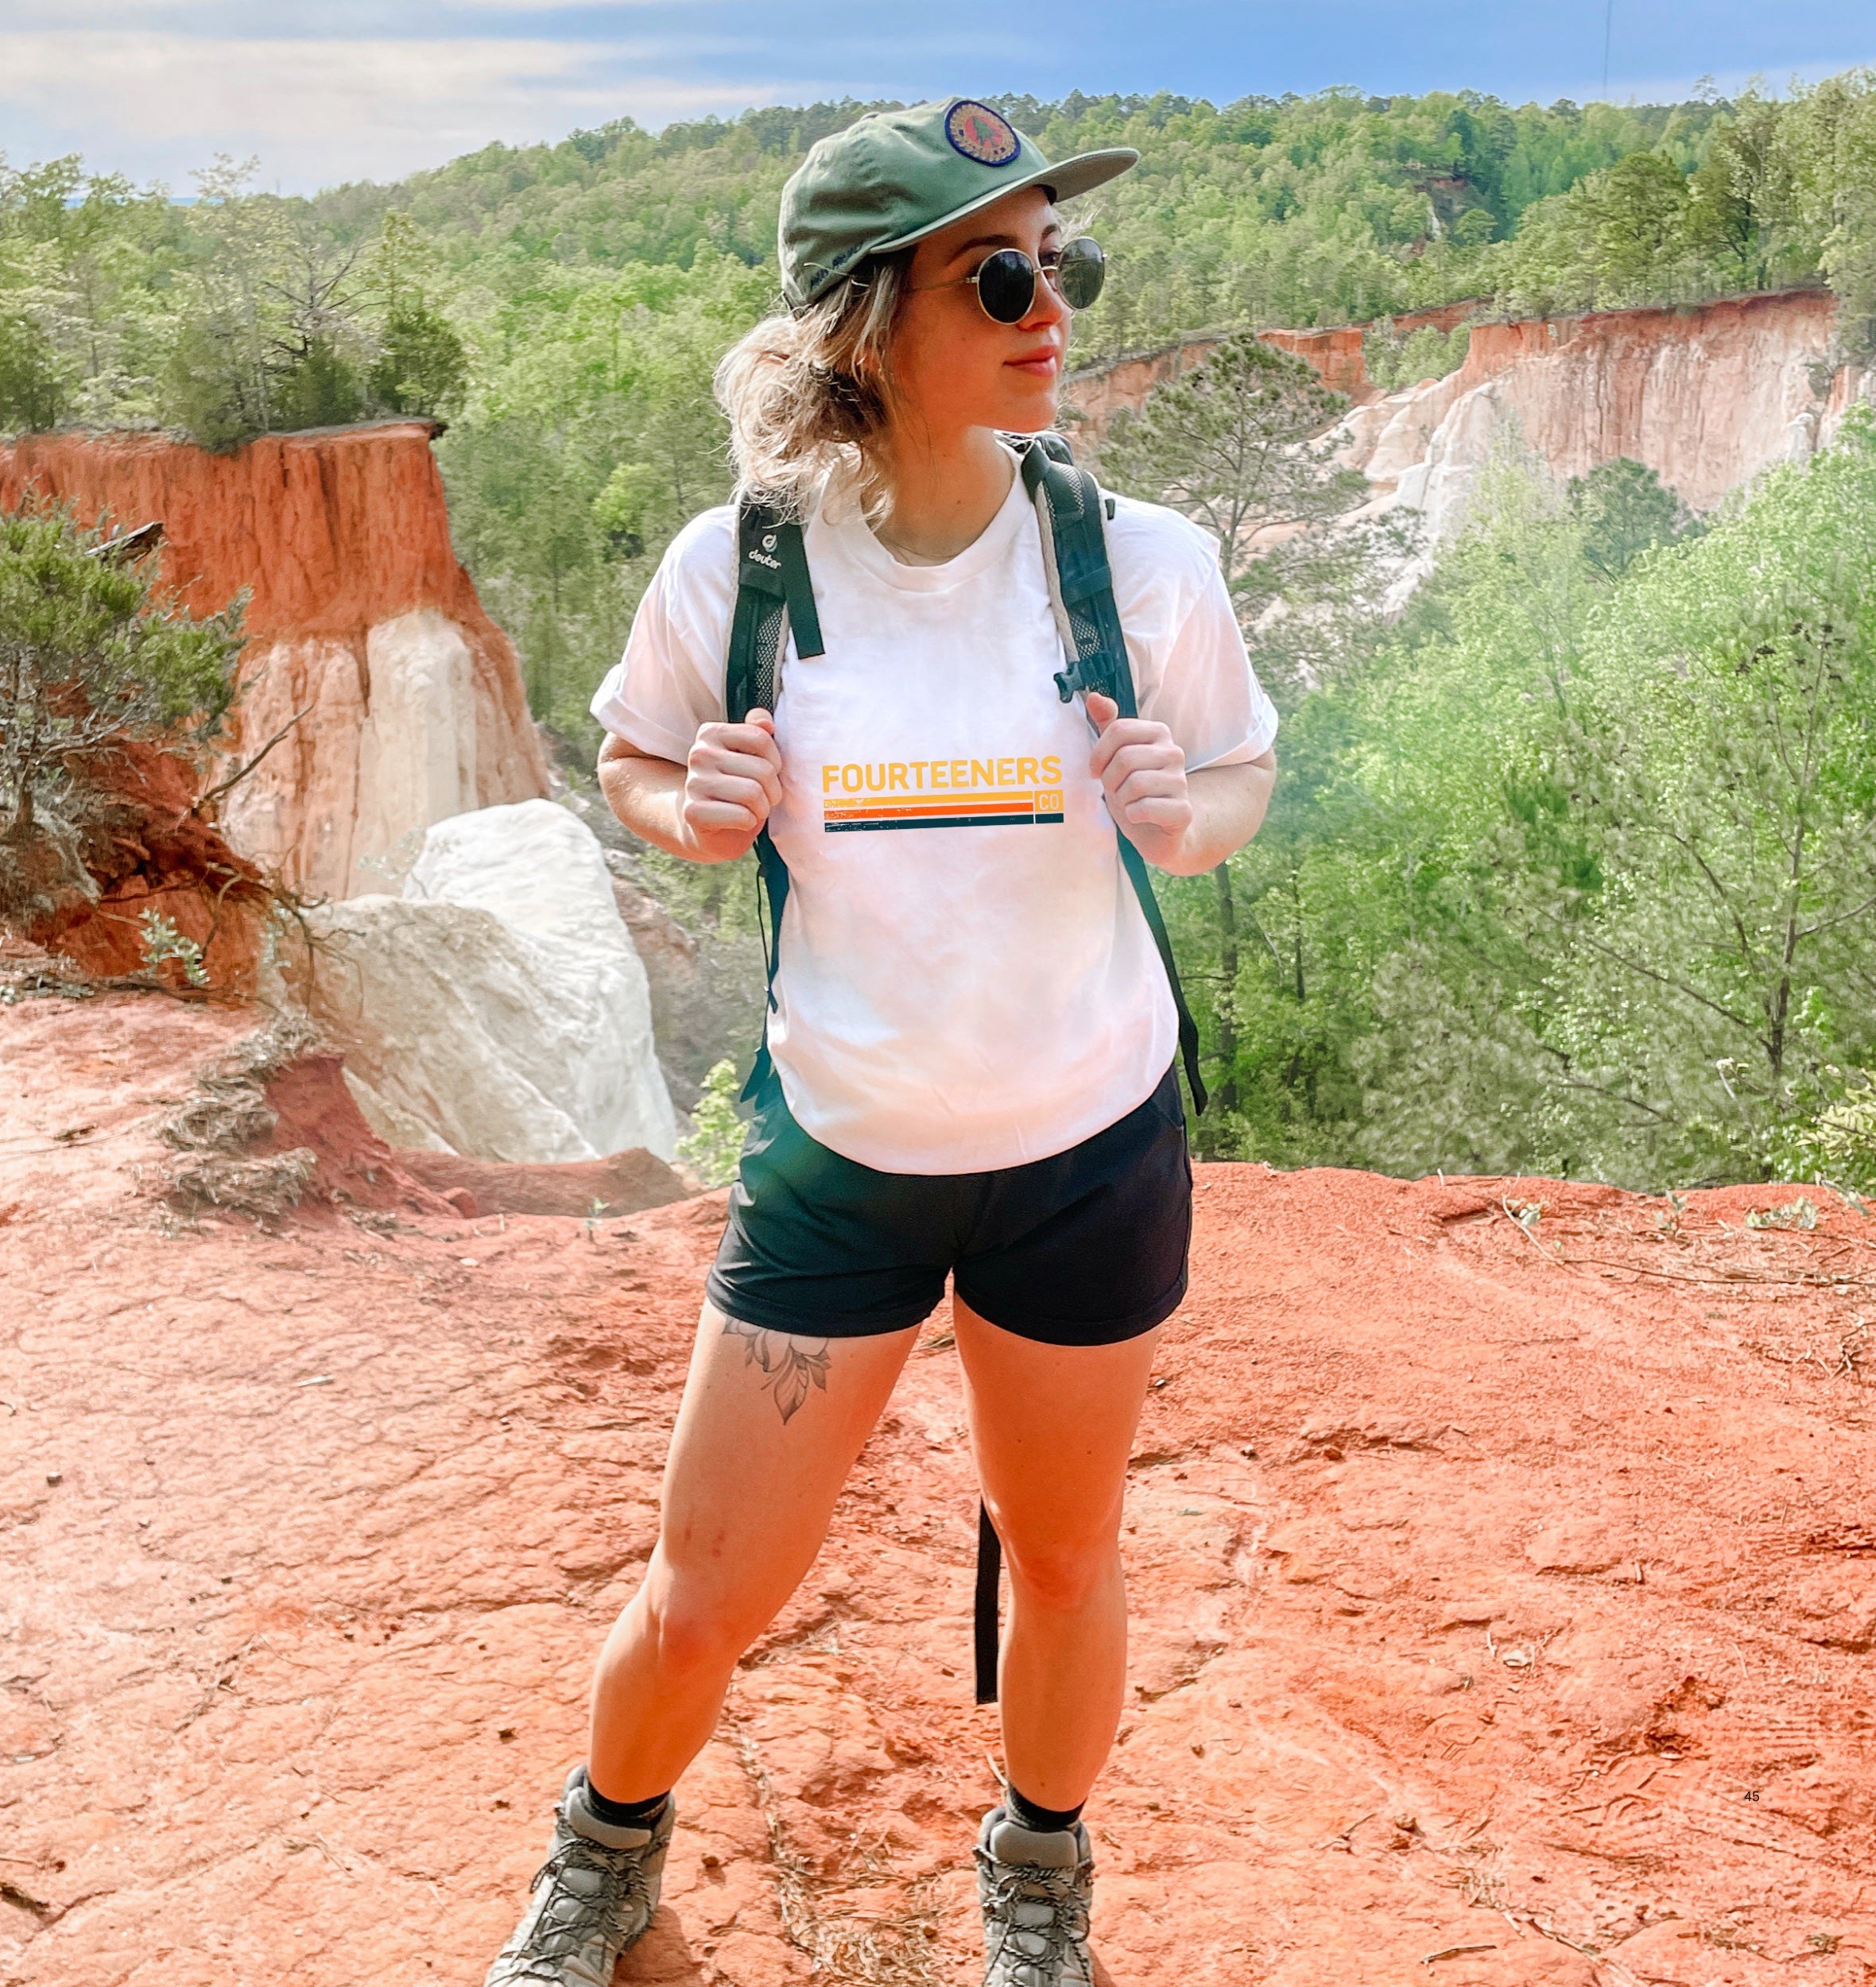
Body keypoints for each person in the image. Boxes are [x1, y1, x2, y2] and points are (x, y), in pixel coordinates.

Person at [486, 96, 1277, 1987]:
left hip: (1084, 1149)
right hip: (837, 1160)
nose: (1051, 305)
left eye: (1058, 264)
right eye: (998, 272)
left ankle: (1039, 1882)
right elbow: (634, 758)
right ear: (864, 321)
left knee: (1066, 1557)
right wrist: (690, 808)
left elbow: (1239, 774)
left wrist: (1189, 804)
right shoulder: (744, 563)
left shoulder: (1135, 562)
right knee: (702, 1597)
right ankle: (601, 1867)